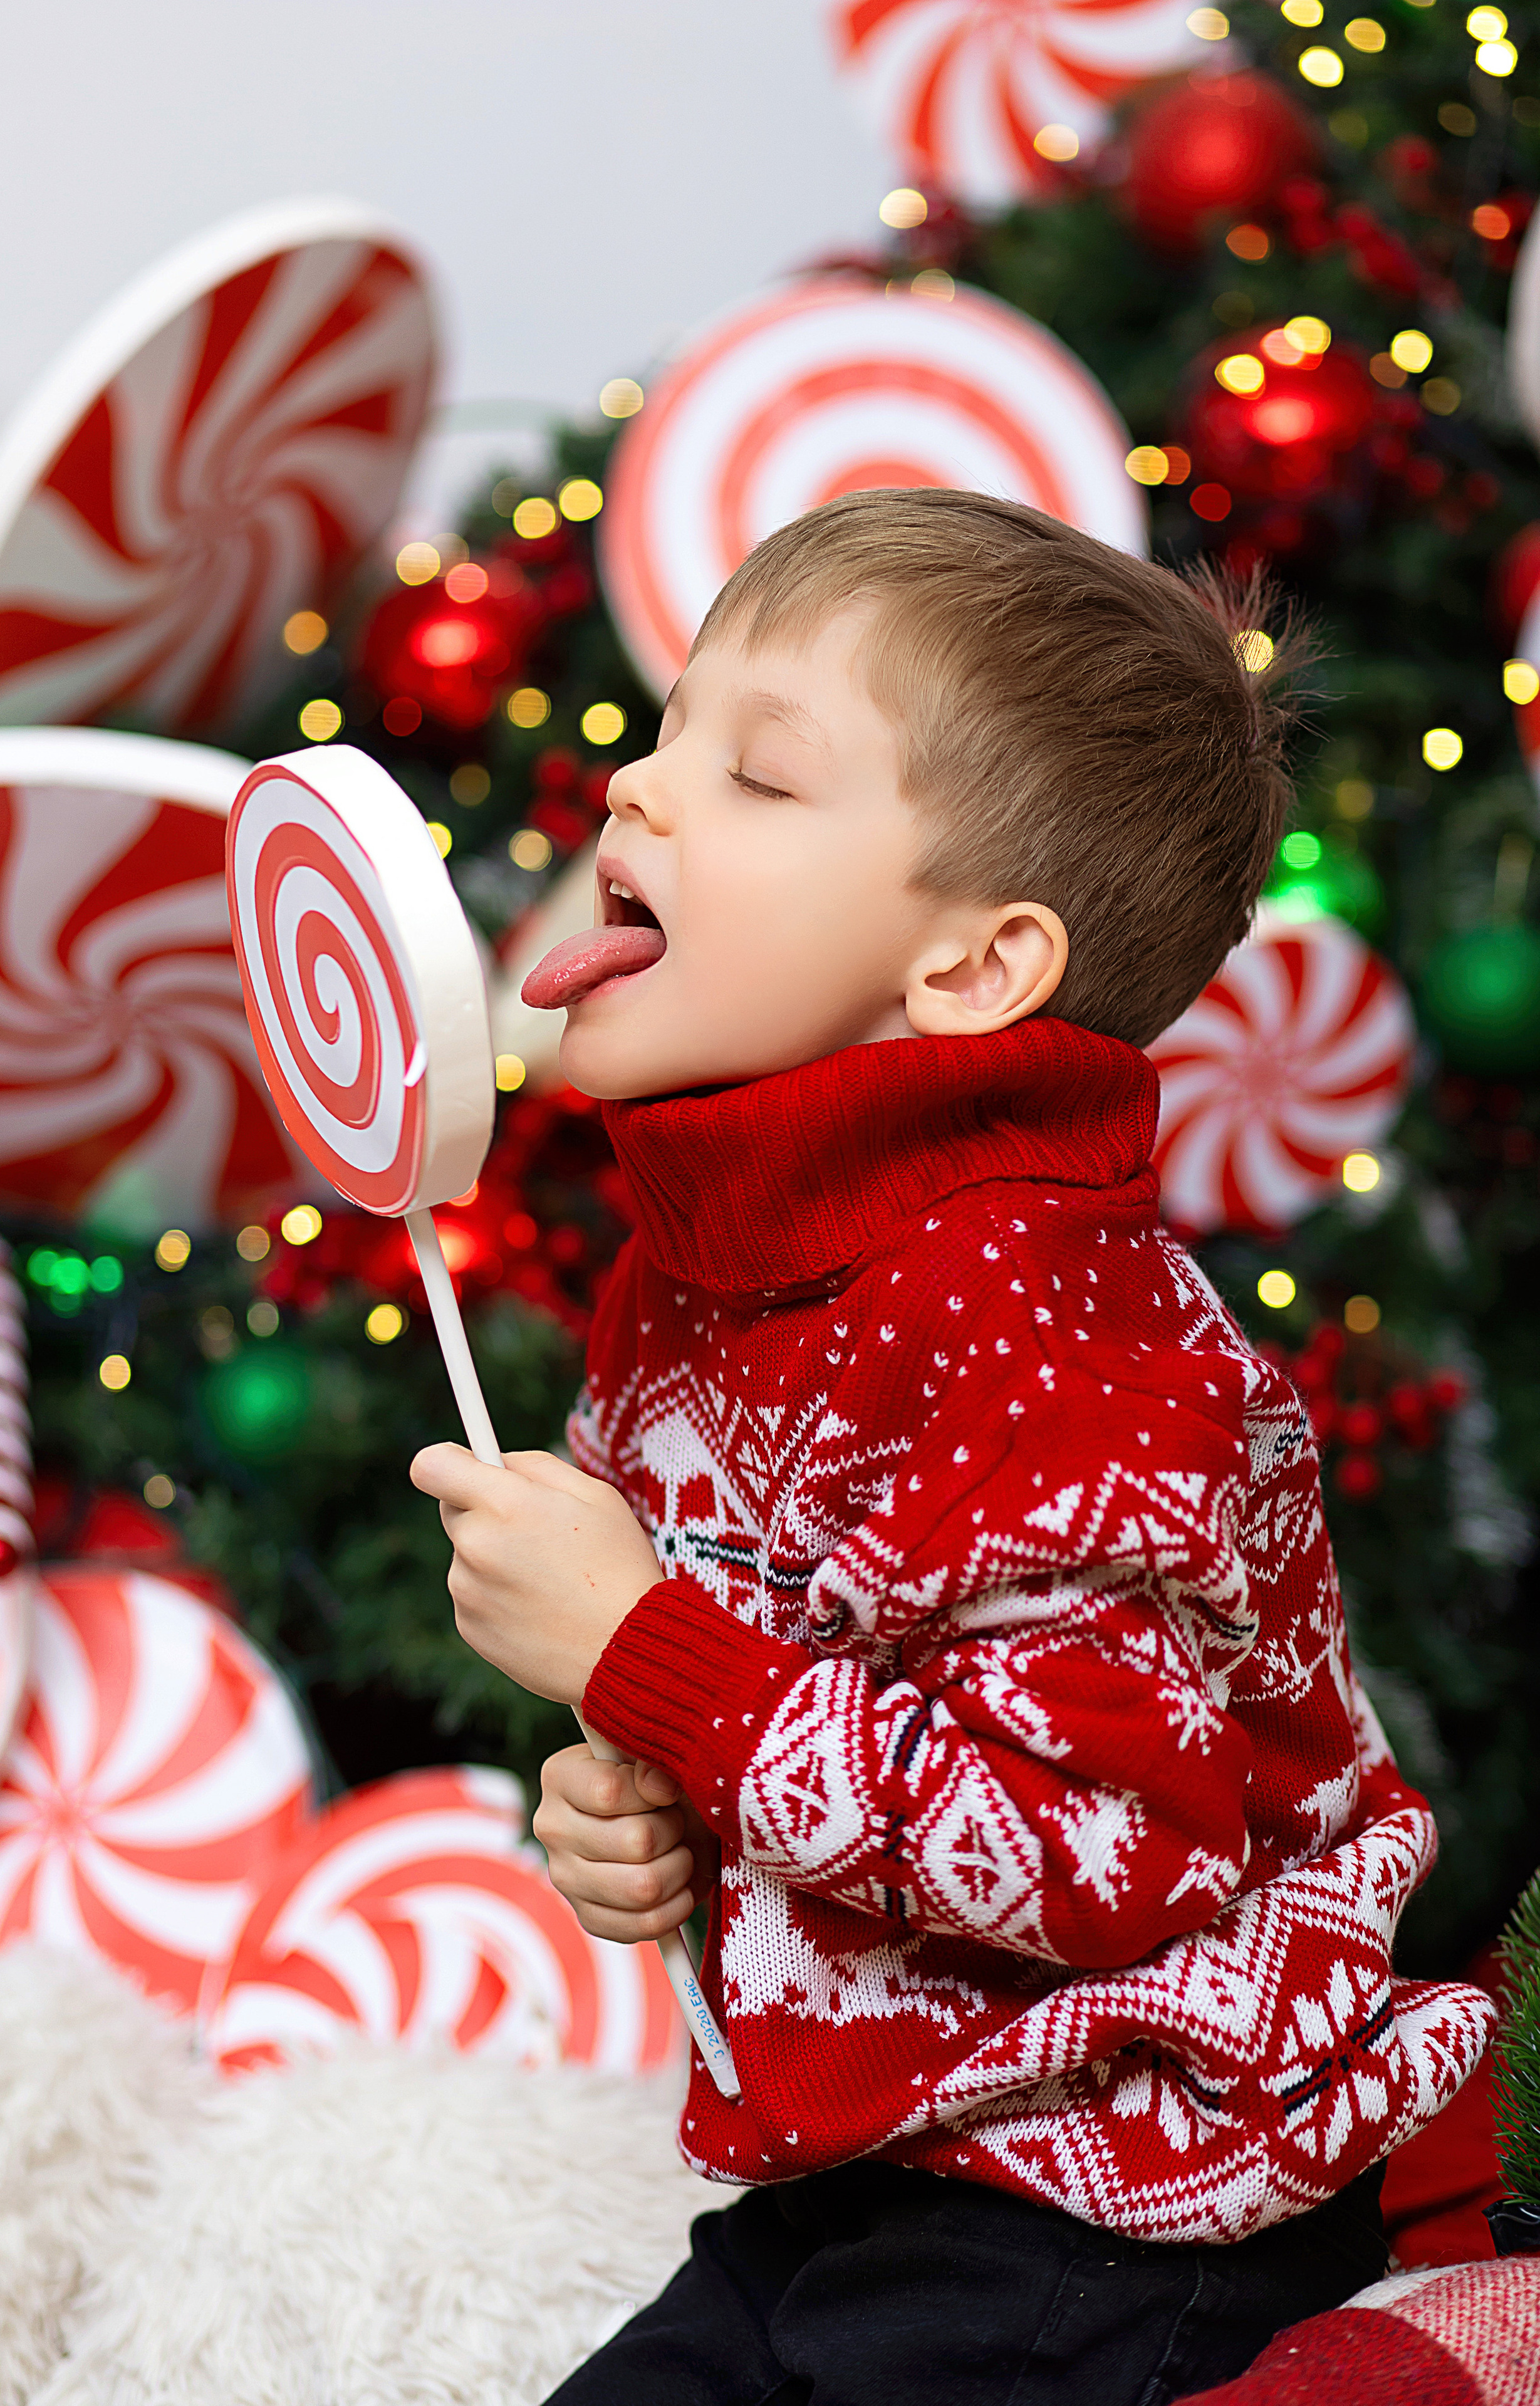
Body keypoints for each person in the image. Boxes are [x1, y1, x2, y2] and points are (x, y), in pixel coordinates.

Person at [410, 491, 1494, 2405]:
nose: (638, 788)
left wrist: (649, 1653)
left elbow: (1104, 1851)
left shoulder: (1050, 1333)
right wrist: (637, 1805)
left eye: (756, 774)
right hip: (869, 2160)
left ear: (977, 969)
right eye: (666, 727)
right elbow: (774, 1711)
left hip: (1139, 2190)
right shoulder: (696, 1277)